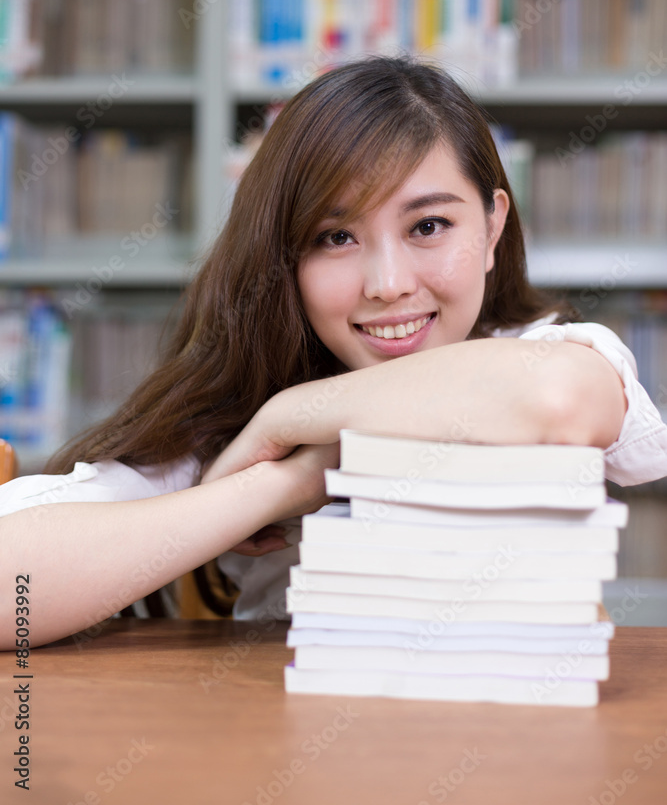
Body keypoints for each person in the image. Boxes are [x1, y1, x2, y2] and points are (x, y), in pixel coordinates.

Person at [1, 55, 665, 650]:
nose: (387, 285)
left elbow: (558, 398)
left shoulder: (535, 350)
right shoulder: (232, 416)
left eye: (428, 226)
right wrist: (295, 479)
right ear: (282, 258)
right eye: (335, 238)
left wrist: (296, 417)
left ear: (492, 226)